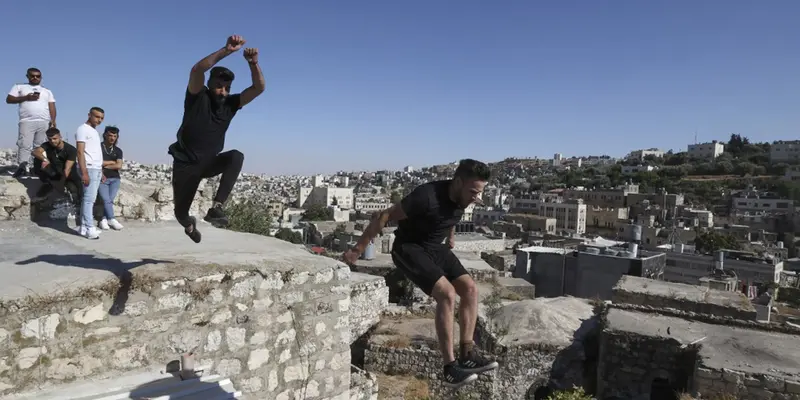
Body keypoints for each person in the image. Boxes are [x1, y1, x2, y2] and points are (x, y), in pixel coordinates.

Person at [342, 159, 498, 389]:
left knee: (471, 289)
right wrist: (357, 250)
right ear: (457, 182)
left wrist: (451, 237)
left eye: (480, 192)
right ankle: (450, 367)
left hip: (436, 247)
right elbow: (384, 216)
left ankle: (467, 353)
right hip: (409, 247)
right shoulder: (426, 196)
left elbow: (451, 215)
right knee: (447, 293)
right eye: (474, 191)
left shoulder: (465, 196)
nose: (476, 197)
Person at [167, 34, 266, 243]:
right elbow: (197, 70)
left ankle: (217, 207)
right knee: (180, 214)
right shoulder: (197, 96)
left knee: (236, 156)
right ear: (209, 83)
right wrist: (226, 51)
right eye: (219, 86)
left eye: (227, 88)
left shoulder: (230, 104)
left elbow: (259, 88)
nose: (223, 92)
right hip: (186, 165)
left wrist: (253, 64)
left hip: (209, 162)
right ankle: (190, 225)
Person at [6, 67, 58, 178]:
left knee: (40, 147)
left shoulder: (47, 91)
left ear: (41, 77)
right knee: (24, 144)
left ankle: (36, 168)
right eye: (32, 76)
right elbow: (9, 99)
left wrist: (53, 121)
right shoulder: (19, 87)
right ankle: (22, 168)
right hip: (26, 121)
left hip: (44, 121)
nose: (35, 78)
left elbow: (52, 107)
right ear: (27, 76)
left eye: (38, 76)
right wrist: (26, 97)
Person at [30, 128, 82, 212]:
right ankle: (45, 188)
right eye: (50, 139)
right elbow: (35, 152)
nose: (52, 141)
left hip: (70, 174)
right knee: (38, 159)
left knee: (78, 189)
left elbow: (67, 170)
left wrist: (61, 184)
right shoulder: (47, 145)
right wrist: (45, 159)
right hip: (55, 172)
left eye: (55, 139)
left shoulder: (70, 149)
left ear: (60, 137)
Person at [75, 107, 106, 240]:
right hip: (89, 168)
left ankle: (83, 227)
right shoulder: (82, 129)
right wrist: (84, 172)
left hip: (96, 168)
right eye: (97, 117)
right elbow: (80, 152)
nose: (99, 120)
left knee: (87, 199)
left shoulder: (93, 131)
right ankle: (89, 227)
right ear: (89, 115)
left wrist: (101, 171)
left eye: (101, 118)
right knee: (89, 200)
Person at [98, 126, 124, 231]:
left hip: (115, 179)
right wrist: (111, 162)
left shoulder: (118, 150)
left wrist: (104, 165)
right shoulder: (98, 147)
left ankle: (103, 219)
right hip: (102, 178)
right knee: (106, 199)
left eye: (114, 136)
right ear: (105, 135)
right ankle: (112, 219)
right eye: (110, 135)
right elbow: (96, 162)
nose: (112, 138)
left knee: (109, 200)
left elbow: (118, 166)